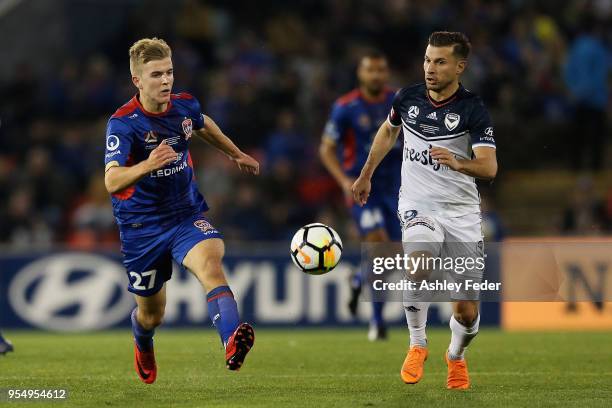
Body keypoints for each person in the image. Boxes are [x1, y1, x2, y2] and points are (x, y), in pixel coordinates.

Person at [104, 38, 259, 384]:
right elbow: (112, 181)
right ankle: (142, 340)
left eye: (169, 72)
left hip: (185, 214)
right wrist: (147, 164)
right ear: (138, 81)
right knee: (152, 315)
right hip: (141, 227)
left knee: (211, 264)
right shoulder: (123, 124)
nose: (166, 81)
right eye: (156, 74)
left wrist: (234, 153)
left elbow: (204, 125)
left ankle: (231, 340)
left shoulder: (184, 105)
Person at [352, 32, 497, 389]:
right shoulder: (408, 97)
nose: (430, 69)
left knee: (466, 311)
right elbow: (388, 132)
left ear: (460, 66)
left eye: (440, 61)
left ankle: (456, 356)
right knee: (418, 264)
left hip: (462, 212)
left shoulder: (472, 109)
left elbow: (489, 168)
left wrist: (458, 163)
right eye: (428, 60)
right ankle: (417, 345)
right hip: (418, 204)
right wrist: (365, 174)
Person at [319, 51, 402, 341]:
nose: (376, 76)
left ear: (386, 73)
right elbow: (326, 148)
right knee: (378, 246)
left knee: (394, 257)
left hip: (398, 189)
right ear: (360, 73)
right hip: (363, 190)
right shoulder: (346, 107)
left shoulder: (400, 102)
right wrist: (343, 181)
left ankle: (358, 279)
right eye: (371, 71)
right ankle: (378, 323)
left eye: (381, 70)